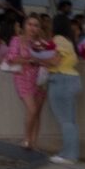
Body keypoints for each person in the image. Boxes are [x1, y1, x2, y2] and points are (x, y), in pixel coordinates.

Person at [7, 15, 55, 150]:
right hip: (22, 77)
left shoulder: (42, 43)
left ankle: (34, 142)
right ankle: (27, 138)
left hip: (39, 78)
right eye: (30, 24)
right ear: (24, 25)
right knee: (31, 109)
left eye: (36, 25)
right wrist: (29, 60)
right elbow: (11, 57)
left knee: (37, 112)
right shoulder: (16, 40)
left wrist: (43, 59)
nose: (32, 28)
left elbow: (50, 59)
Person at [42, 18, 82, 165]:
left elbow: (54, 61)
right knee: (70, 121)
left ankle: (69, 155)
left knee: (65, 121)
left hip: (60, 80)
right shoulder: (70, 42)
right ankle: (69, 152)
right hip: (72, 79)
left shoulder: (58, 39)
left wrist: (37, 58)